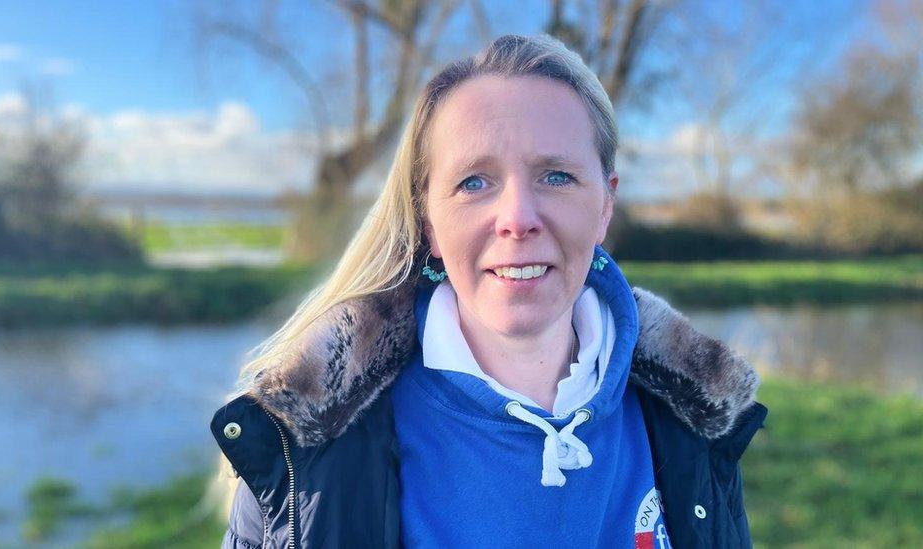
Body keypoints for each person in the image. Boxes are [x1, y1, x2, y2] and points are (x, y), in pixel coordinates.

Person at [211, 34, 767, 549]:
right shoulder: (305, 443)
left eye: (556, 176)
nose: (517, 218)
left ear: (605, 205)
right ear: (428, 221)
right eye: (474, 182)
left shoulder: (697, 412)